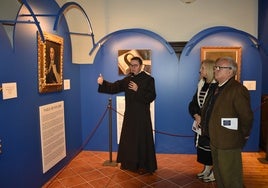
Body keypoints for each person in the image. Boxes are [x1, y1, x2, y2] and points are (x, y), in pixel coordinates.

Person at [97, 56, 157, 174]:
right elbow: (114, 87)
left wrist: (138, 89)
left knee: (141, 141)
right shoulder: (127, 79)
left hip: (142, 117)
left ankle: (143, 166)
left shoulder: (149, 79)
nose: (132, 67)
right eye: (131, 65)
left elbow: (151, 96)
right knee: (130, 140)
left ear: (140, 66)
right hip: (130, 116)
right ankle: (130, 164)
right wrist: (102, 82)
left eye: (135, 65)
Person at [201, 57, 253, 188]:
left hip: (229, 141)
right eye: (215, 67)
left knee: (231, 177)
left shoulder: (237, 89)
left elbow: (246, 116)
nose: (216, 70)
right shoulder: (215, 88)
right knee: (220, 175)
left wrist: (243, 135)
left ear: (231, 71)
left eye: (220, 68)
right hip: (215, 139)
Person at [188, 59, 217, 183]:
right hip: (201, 123)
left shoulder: (216, 86)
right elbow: (194, 103)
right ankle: (207, 168)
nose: (200, 70)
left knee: (212, 148)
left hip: (212, 124)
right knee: (203, 147)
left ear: (210, 69)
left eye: (203, 68)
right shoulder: (201, 84)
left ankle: (214, 172)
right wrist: (196, 114)